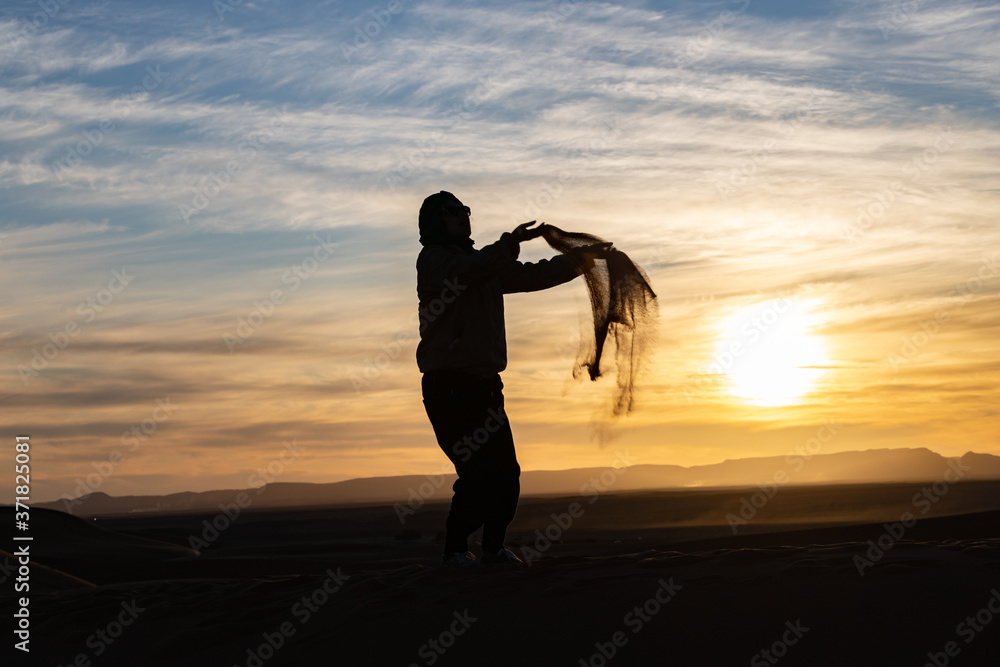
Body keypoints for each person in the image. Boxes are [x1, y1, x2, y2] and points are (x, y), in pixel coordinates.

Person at [416, 191, 605, 569]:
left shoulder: (482, 265)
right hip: (449, 388)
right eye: (452, 212)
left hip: (485, 387)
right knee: (476, 473)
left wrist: (579, 262)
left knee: (505, 473)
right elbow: (474, 270)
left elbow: (530, 275)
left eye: (465, 210)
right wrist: (509, 243)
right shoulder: (436, 261)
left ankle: (492, 550)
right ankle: (455, 551)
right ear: (435, 221)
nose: (463, 216)